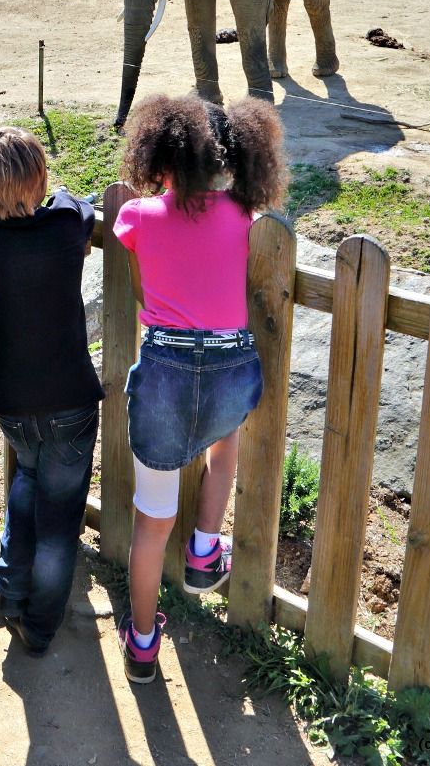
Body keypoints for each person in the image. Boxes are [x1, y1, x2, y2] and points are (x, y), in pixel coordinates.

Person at [111, 94, 287, 684]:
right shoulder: (247, 219)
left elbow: (140, 275)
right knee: (225, 443)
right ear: (232, 156)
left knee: (149, 522)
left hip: (165, 369)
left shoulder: (137, 216)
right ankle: (205, 551)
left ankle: (140, 645)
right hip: (231, 366)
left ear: (158, 154)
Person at [0, 127, 104, 655]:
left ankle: (12, 592)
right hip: (70, 399)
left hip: (10, 400)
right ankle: (41, 625)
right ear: (40, 180)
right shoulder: (67, 226)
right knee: (60, 518)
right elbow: (77, 201)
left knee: (25, 481)